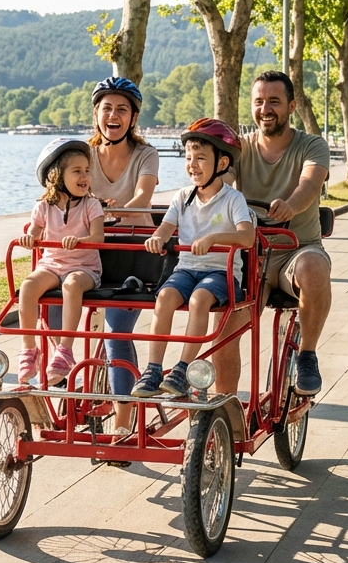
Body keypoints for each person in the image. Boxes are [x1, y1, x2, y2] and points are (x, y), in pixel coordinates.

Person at [215, 70, 331, 397]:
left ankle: (307, 354)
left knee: (314, 266)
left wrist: (292, 206)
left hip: (297, 249)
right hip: (251, 254)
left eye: (274, 102)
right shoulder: (239, 148)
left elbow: (310, 183)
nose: (265, 109)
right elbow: (221, 181)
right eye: (259, 101)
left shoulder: (312, 145)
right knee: (223, 333)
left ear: (292, 106)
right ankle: (225, 415)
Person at [131, 119, 253, 398]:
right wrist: (158, 238)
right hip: (187, 269)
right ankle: (153, 369)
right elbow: (166, 227)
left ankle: (182, 370)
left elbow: (246, 237)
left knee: (199, 300)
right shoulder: (183, 196)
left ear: (222, 163)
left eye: (200, 158)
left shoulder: (232, 199)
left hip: (221, 274)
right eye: (188, 158)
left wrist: (214, 238)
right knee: (164, 298)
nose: (192, 164)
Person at [86, 78, 160, 428]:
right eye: (106, 108)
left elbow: (144, 196)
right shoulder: (82, 155)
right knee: (52, 318)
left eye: (121, 109)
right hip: (90, 252)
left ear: (133, 118)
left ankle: (123, 421)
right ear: (96, 113)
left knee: (116, 332)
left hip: (132, 252)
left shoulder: (146, 154)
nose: (113, 115)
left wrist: (117, 213)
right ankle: (58, 379)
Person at [17, 139, 104, 385]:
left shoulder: (91, 205)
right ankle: (29, 348)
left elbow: (98, 237)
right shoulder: (44, 206)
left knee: (72, 284)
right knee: (28, 286)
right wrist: (29, 238)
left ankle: (65, 349)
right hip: (52, 264)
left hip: (84, 268)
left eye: (87, 170)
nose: (84, 176)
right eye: (77, 171)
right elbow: (34, 231)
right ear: (57, 176)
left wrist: (80, 239)